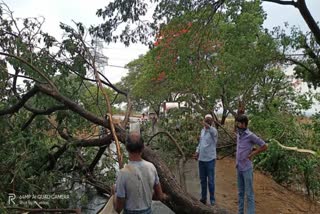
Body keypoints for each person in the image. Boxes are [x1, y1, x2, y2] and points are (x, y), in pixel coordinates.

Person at [113, 131, 167, 214]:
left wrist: (114, 193)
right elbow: (160, 196)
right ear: (142, 148)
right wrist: (146, 194)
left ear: (127, 148)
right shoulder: (151, 167)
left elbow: (118, 208)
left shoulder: (123, 173)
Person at [235, 114, 268, 214]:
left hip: (247, 168)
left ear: (244, 124)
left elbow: (264, 146)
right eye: (237, 123)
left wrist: (253, 153)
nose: (238, 125)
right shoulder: (239, 134)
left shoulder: (250, 135)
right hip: (239, 167)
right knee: (240, 192)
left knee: (249, 193)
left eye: (239, 123)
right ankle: (240, 212)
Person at [194, 114, 218, 206]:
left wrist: (207, 125)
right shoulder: (202, 131)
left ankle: (212, 199)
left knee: (211, 180)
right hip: (201, 160)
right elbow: (200, 143)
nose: (206, 122)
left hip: (210, 160)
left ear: (211, 122)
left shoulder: (214, 131)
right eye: (206, 120)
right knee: (202, 180)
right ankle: (203, 198)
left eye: (209, 120)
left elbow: (212, 131)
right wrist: (197, 152)